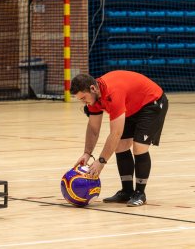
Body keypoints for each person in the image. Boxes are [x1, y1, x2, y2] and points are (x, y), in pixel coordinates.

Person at [70, 71, 168, 207]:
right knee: (121, 146)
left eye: (83, 98)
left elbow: (115, 133)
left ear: (93, 88)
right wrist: (87, 153)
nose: (83, 102)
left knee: (139, 147)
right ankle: (127, 191)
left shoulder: (113, 93)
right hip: (131, 106)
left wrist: (101, 161)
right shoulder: (94, 98)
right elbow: (93, 128)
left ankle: (140, 193)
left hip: (152, 102)